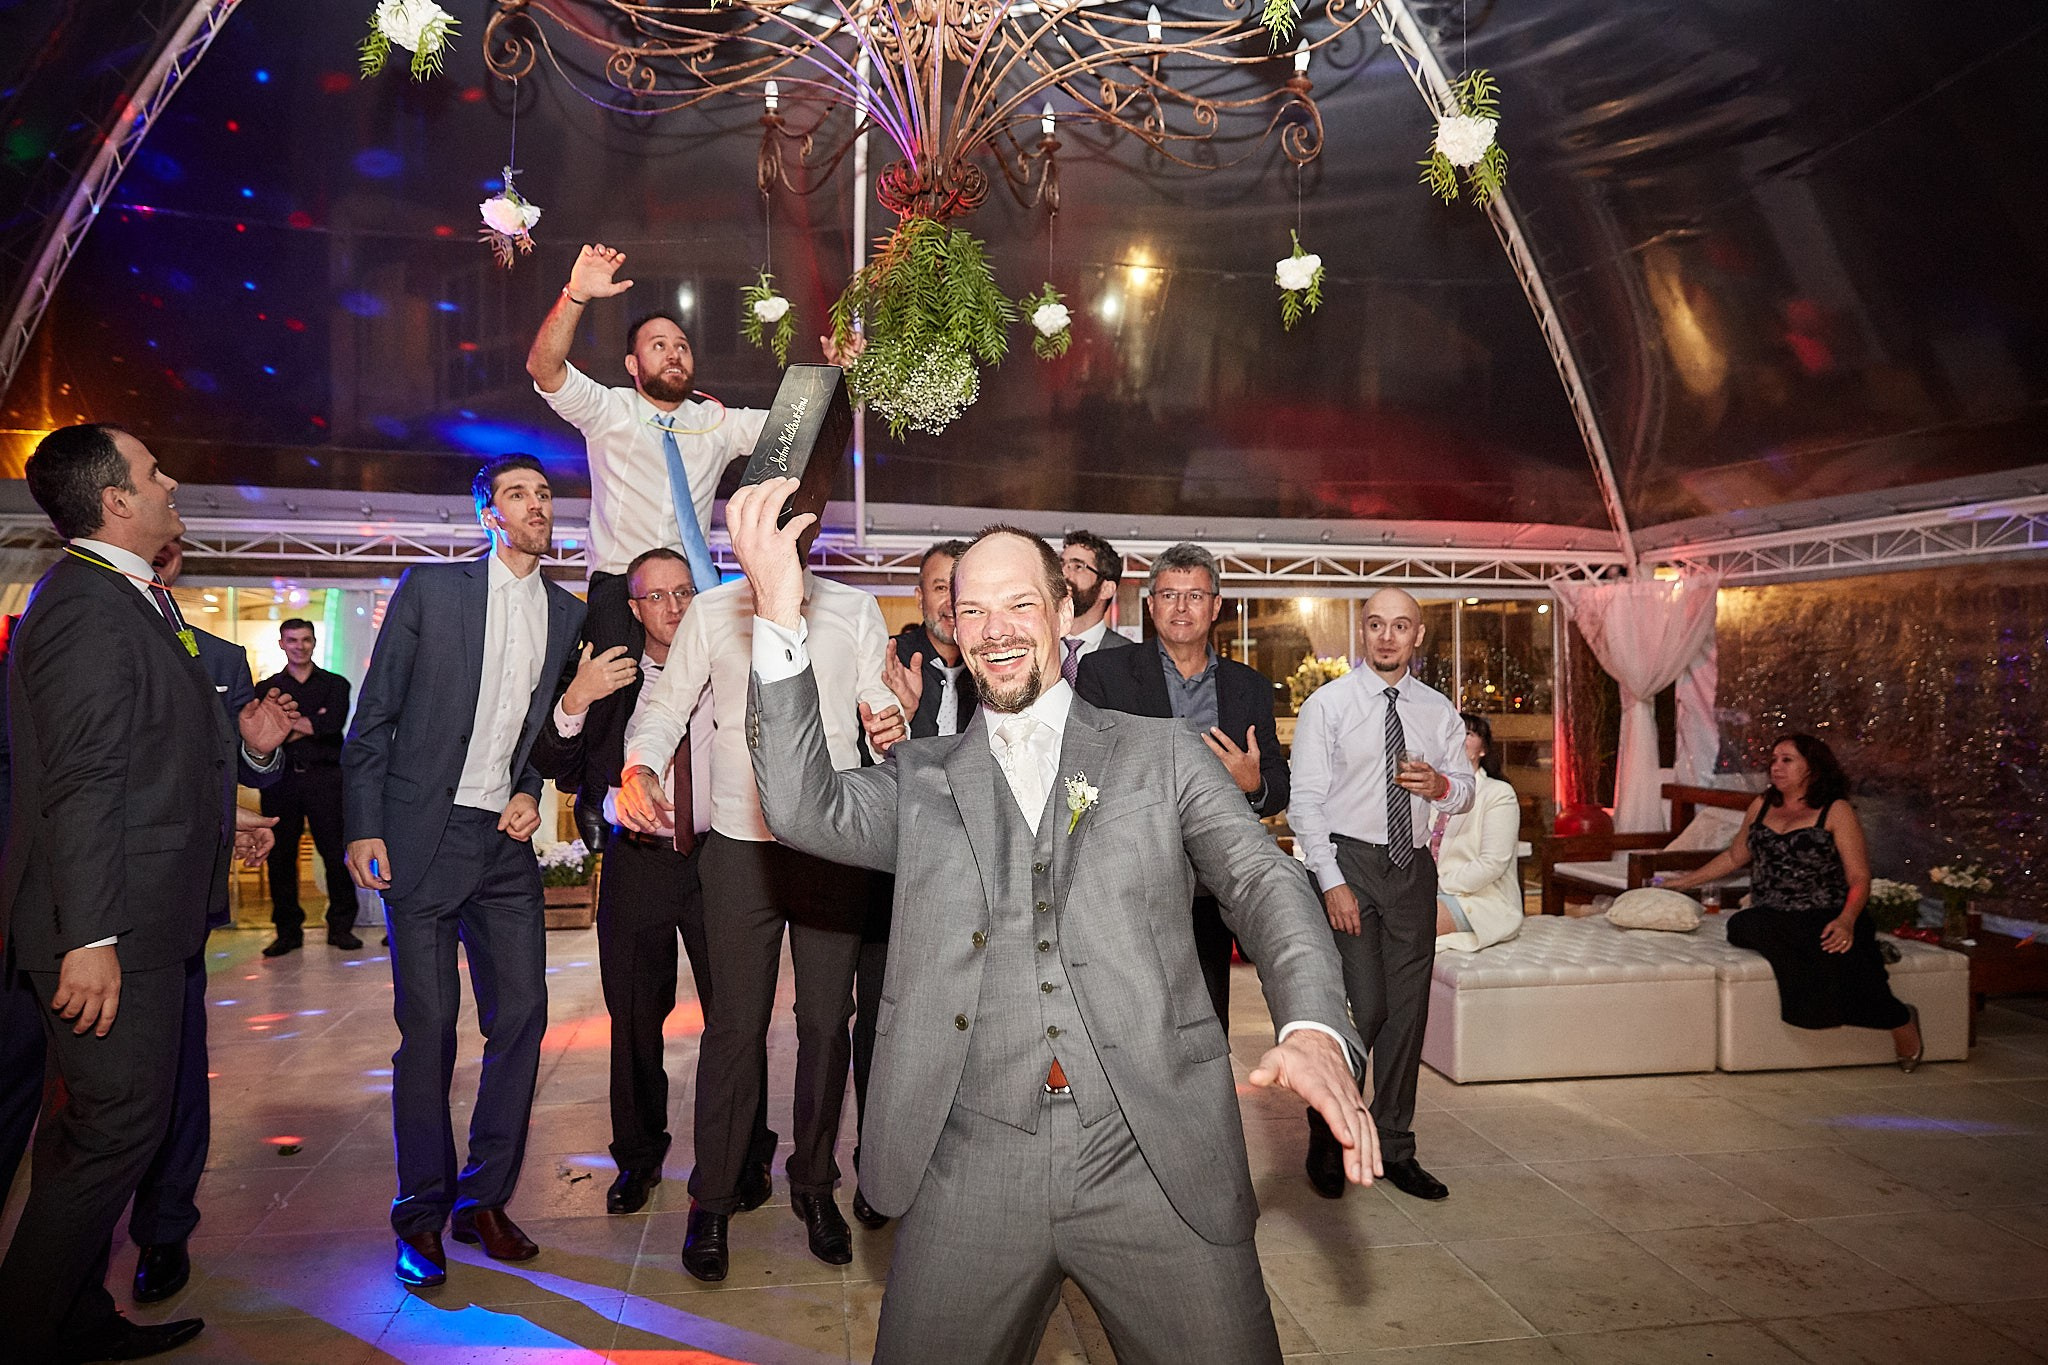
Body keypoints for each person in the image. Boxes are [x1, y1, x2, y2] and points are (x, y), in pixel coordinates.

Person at [733, 478, 1378, 1363]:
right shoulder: (919, 779)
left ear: (1066, 612)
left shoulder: (1162, 754)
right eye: (971, 610)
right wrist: (778, 607)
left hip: (1152, 1151)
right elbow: (802, 806)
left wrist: (1311, 1024)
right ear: (952, 627)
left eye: (1019, 604)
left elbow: (1265, 880)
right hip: (972, 1156)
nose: (994, 628)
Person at [0, 424, 289, 1362]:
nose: (171, 482)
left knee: (87, 1131)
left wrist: (227, 796)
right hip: (111, 928)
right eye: (153, 472)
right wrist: (89, 937)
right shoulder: (89, 607)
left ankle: (76, 1315)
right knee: (119, 1130)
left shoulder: (125, 597)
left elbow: (141, 759)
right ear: (116, 500)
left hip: (140, 915)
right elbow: (83, 783)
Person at [617, 525, 900, 1281]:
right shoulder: (713, 611)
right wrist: (640, 765)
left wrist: (889, 720)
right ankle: (711, 1199)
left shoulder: (853, 609)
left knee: (824, 1024)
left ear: (807, 534)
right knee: (734, 1028)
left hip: (831, 842)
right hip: (740, 846)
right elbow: (666, 706)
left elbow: (875, 701)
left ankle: (814, 1185)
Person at [342, 455, 586, 1288]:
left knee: (523, 1016)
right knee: (431, 1029)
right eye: (519, 494)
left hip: (503, 848)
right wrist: (363, 826)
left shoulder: (567, 613)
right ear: (488, 513)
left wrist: (529, 788)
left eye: (545, 494)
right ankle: (420, 1213)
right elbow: (374, 717)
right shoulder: (431, 591)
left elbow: (541, 733)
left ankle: (483, 1198)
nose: (537, 506)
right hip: (422, 836)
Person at [527, 548, 776, 1218]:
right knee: (635, 1017)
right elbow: (554, 760)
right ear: (634, 609)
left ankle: (746, 1151)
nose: (674, 607)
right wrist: (576, 697)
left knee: (737, 1014)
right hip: (638, 862)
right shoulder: (613, 675)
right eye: (657, 596)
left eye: (684, 592)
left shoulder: (731, 664)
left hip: (725, 857)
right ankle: (638, 1157)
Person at [1289, 586, 1474, 1204]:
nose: (1387, 636)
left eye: (1400, 626)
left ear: (1418, 636)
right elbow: (1305, 803)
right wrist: (1331, 881)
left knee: (1407, 1014)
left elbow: (1465, 791)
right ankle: (1328, 1126)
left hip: (1412, 868)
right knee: (1364, 1009)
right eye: (1375, 625)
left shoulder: (1438, 711)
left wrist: (1442, 785)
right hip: (1349, 864)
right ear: (1361, 632)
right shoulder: (1328, 705)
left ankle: (1395, 1146)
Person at [1075, 541, 1289, 1027]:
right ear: (1151, 605)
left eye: (1195, 596)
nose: (1181, 607)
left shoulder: (1248, 686)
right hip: (1131, 877)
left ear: (1215, 606)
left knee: (1208, 1022)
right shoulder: (1105, 674)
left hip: (1212, 884)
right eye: (1170, 595)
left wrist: (1252, 784)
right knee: (1129, 1019)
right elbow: (1082, 771)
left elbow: (1278, 785)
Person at [1660, 733, 1922, 1068]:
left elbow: (1859, 877)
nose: (1776, 767)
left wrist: (1846, 920)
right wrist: (1683, 883)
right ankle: (1846, 976)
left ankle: (1900, 1020)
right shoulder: (1762, 805)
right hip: (1770, 915)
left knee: (1833, 953)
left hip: (1824, 912)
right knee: (1743, 924)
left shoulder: (1836, 810)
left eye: (1787, 760)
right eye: (1773, 760)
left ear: (1813, 767)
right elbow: (1735, 856)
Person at [851, 537, 974, 1229]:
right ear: (920, 595)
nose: (949, 599)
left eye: (960, 584)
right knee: (885, 1025)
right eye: (937, 585)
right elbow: (888, 766)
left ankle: (954, 1166)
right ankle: (878, 1167)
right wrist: (908, 714)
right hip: (896, 883)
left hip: (979, 883)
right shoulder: (889, 659)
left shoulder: (1000, 663)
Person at [256, 617, 359, 955]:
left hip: (325, 779)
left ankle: (341, 927)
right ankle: (287, 932)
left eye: (305, 639)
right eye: (292, 640)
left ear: (314, 642)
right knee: (280, 857)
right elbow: (263, 736)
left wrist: (284, 722)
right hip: (280, 781)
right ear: (281, 644)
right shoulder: (266, 688)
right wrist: (311, 721)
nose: (299, 646)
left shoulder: (336, 684)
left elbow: (331, 725)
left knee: (335, 854)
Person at [1430, 714, 1525, 954]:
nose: (1458, 739)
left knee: (1410, 924)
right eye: (1452, 734)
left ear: (1483, 750)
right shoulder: (1432, 794)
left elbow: (1492, 863)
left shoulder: (1498, 793)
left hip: (1481, 900)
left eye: (1468, 734)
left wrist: (1437, 886)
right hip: (1429, 893)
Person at [1056, 530, 1135, 681]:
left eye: (1077, 566)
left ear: (1106, 589)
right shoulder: (1037, 645)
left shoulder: (1128, 656)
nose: (1063, 574)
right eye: (1062, 564)